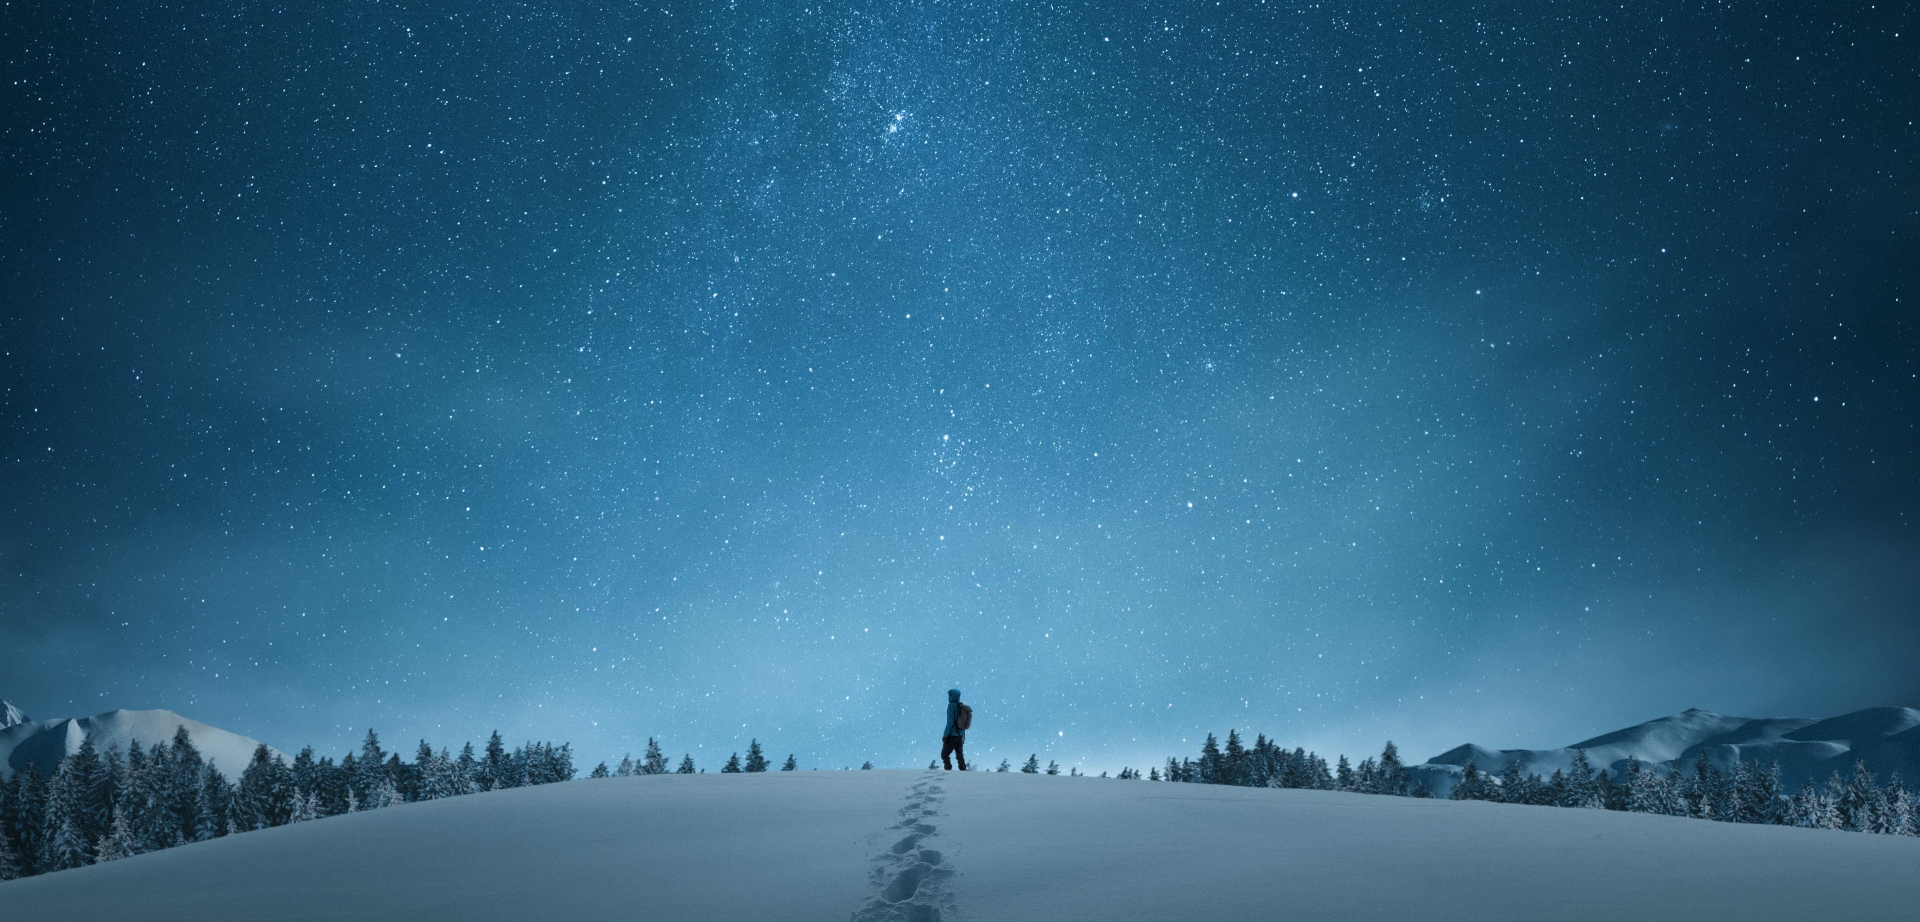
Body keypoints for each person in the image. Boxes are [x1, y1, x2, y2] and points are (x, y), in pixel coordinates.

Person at [940, 688, 967, 771]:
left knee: (944, 754)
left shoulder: (951, 706)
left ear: (951, 696)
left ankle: (948, 768)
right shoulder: (961, 706)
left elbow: (950, 723)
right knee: (959, 753)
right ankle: (962, 765)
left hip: (952, 735)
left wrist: (945, 735)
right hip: (961, 734)